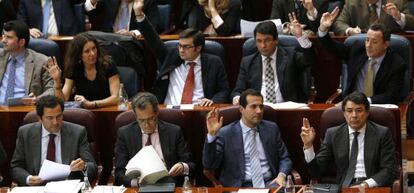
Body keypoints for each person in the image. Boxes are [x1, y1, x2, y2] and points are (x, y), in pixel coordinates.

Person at [133, 0, 230, 106]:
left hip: (199, 110)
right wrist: (139, 14)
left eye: (186, 47)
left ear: (198, 48)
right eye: (180, 46)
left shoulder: (213, 62)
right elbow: (153, 39)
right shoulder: (171, 56)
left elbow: (224, 91)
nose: (181, 50)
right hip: (170, 109)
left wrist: (212, 101)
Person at [300, 91, 397, 188]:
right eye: (349, 111)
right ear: (344, 114)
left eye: (359, 110)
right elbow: (316, 171)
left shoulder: (382, 133)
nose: (354, 115)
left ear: (367, 112)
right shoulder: (333, 134)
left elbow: (389, 169)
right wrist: (308, 145)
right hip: (345, 187)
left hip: (372, 186)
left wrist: (366, 184)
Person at [203, 89, 292, 187]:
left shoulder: (271, 129)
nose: (259, 111)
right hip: (239, 187)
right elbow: (210, 165)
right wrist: (211, 136)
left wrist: (282, 175)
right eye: (253, 107)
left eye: (261, 107)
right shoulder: (225, 133)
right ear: (241, 109)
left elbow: (285, 158)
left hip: (270, 184)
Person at [317, 8, 406, 104]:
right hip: (351, 109)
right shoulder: (356, 50)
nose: (368, 45)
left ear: (386, 44)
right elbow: (331, 46)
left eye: (374, 42)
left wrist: (363, 102)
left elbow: (392, 96)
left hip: (379, 108)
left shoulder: (396, 63)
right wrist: (323, 29)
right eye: (367, 40)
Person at [10, 95, 98, 186]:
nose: (55, 122)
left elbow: (93, 168)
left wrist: (83, 167)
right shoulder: (25, 133)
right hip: (36, 188)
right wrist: (28, 179)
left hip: (67, 187)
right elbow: (16, 167)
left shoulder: (78, 132)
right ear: (40, 119)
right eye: (50, 118)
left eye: (58, 116)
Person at [114, 92, 196, 187]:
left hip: (169, 185)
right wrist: (137, 183)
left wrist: (182, 167)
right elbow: (119, 172)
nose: (146, 125)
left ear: (157, 112)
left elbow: (191, 165)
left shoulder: (174, 131)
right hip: (138, 187)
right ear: (136, 116)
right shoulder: (125, 134)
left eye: (150, 119)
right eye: (141, 120)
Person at [231, 19, 315, 105]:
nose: (263, 45)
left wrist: (300, 36)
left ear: (276, 40)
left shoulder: (291, 56)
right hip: (258, 109)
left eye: (267, 40)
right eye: (259, 41)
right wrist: (237, 98)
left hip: (287, 109)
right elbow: (238, 91)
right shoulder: (247, 62)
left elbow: (310, 60)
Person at [44, 32, 120, 109]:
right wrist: (57, 81)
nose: (93, 53)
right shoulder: (74, 67)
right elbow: (63, 100)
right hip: (83, 112)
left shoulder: (108, 64)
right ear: (79, 55)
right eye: (87, 51)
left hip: (107, 109)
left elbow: (116, 98)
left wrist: (92, 104)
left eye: (94, 48)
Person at [0, 20, 54, 105]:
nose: (3, 40)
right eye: (3, 36)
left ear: (21, 42)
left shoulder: (41, 61)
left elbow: (52, 89)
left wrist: (37, 99)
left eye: (9, 37)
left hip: (25, 110)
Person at [333, 0, 414, 35]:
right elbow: (339, 23)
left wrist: (398, 16)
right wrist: (350, 31)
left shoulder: (397, 1)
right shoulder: (352, 2)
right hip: (362, 47)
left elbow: (411, 23)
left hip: (391, 48)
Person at [85, 0, 161, 36]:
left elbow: (154, 27)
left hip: (133, 44)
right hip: (109, 41)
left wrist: (133, 33)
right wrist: (93, 1)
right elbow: (88, 10)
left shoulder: (147, 2)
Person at [17, 0, 84, 38]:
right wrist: (28, 30)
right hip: (39, 44)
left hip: (65, 42)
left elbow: (83, 5)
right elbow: (20, 24)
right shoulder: (26, 2)